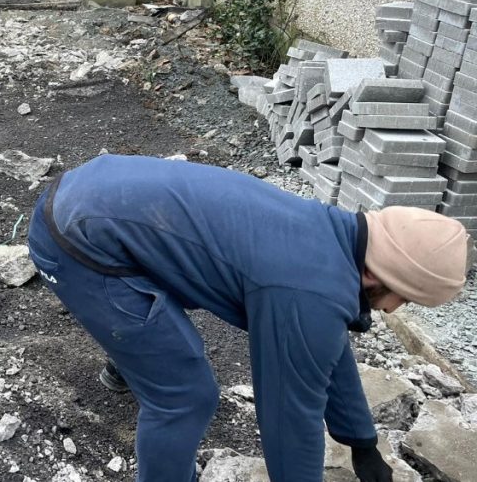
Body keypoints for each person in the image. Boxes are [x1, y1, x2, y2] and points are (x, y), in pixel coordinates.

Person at [28, 154, 469, 482]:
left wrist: (362, 443)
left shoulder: (333, 237)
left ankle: (134, 361)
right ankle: (143, 372)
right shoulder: (304, 291)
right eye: (404, 298)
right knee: (185, 395)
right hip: (75, 241)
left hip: (98, 196)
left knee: (179, 290)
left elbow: (327, 346)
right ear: (379, 274)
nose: (394, 310)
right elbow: (288, 419)